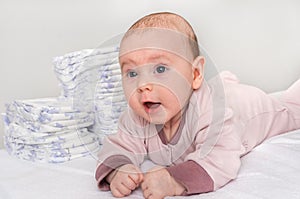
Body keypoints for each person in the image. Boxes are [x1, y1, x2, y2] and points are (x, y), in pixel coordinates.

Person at [95, 12, 300, 199]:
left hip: (250, 107)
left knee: (292, 110)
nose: (142, 85)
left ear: (195, 74)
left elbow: (220, 158)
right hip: (218, 92)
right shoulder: (138, 117)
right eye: (132, 73)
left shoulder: (211, 113)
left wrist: (173, 180)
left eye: (159, 69)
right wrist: (118, 169)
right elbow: (118, 145)